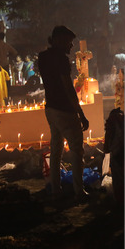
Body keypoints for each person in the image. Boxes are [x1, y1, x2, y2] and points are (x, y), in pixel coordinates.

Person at [37, 26, 90, 201]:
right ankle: (78, 190)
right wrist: (80, 113)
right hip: (64, 110)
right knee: (76, 151)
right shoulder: (60, 59)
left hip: (50, 108)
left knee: (57, 149)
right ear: (59, 40)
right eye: (69, 41)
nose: (71, 46)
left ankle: (55, 189)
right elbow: (68, 87)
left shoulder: (43, 57)